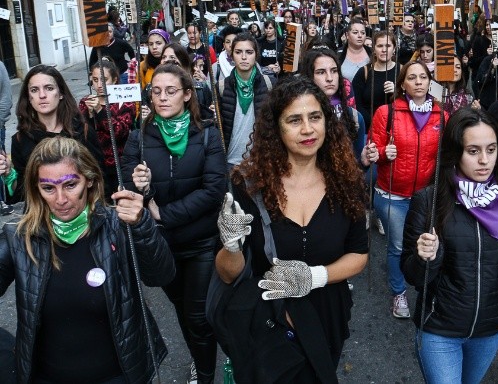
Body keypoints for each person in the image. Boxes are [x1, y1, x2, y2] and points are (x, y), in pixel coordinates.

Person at [214, 76, 368, 379]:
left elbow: (359, 254)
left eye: (315, 117)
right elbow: (228, 273)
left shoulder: (346, 181)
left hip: (327, 315)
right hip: (269, 322)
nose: (308, 129)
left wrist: (315, 276)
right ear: (276, 128)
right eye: (294, 120)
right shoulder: (249, 185)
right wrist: (231, 246)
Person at [401, 107, 498, 383]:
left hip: (489, 328)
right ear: (455, 152)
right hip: (440, 329)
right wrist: (426, 257)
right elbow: (413, 275)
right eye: (473, 151)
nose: (484, 160)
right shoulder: (429, 200)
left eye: (491, 149)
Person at [0, 136, 174, 383]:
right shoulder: (19, 237)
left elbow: (161, 275)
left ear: (90, 180)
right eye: (48, 188)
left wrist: (142, 225)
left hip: (117, 376)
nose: (60, 199)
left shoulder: (117, 225)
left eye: (70, 185)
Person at [121, 64, 226, 384]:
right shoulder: (139, 138)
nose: (163, 98)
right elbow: (126, 187)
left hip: (201, 243)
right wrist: (141, 187)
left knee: (198, 316)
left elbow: (214, 190)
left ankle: (205, 376)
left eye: (170, 91)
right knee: (182, 309)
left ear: (187, 95)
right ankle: (199, 358)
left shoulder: (207, 133)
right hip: (161, 246)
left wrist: (163, 214)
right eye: (156, 92)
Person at [365, 61, 448, 318]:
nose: (419, 82)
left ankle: (428, 291)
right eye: (412, 77)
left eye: (423, 77)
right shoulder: (386, 112)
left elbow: (448, 154)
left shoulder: (442, 116)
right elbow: (371, 149)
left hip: (427, 196)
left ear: (430, 82)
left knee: (430, 245)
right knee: (399, 246)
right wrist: (382, 153)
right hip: (393, 195)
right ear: (402, 84)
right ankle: (399, 292)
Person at [1, 65, 105, 204]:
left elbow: (99, 179)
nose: (42, 95)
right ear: (29, 97)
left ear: (61, 93)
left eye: (49, 88)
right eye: (34, 90)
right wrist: (9, 174)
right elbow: (23, 194)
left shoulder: (83, 131)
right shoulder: (21, 139)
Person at [78, 60, 136, 199]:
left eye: (104, 80)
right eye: (95, 80)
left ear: (114, 79)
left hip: (118, 166)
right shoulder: (86, 102)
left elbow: (119, 132)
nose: (99, 85)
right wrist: (89, 115)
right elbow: (81, 133)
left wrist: (100, 111)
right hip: (93, 164)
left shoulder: (125, 102)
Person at [299, 47, 366, 158]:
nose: (329, 78)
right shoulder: (298, 115)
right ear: (309, 76)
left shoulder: (354, 117)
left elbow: (356, 162)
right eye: (321, 72)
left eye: (334, 71)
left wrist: (364, 161)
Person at [221, 32, 271, 169]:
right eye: (238, 52)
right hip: (230, 162)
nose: (244, 57)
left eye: (249, 52)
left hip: (260, 162)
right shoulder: (221, 87)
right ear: (232, 55)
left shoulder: (269, 84)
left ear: (256, 55)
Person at [351, 30, 399, 130]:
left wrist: (397, 92)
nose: (384, 50)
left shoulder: (402, 70)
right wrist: (375, 124)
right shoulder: (364, 72)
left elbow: (411, 101)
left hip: (397, 128)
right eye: (380, 46)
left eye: (388, 46)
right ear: (374, 49)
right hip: (369, 129)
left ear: (394, 49)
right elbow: (357, 104)